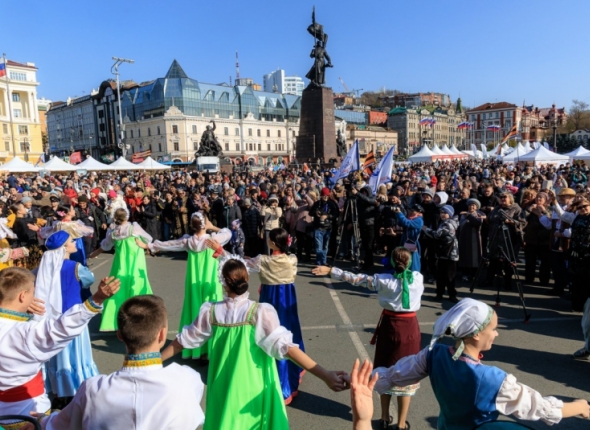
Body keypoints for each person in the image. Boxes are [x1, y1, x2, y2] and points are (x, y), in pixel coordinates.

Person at [161, 256, 348, 429]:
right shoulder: (259, 312)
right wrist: (325, 375)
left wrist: (153, 360)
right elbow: (288, 349)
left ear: (223, 282)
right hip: (254, 387)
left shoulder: (210, 312)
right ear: (246, 278)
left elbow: (181, 342)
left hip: (222, 386)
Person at [372, 298, 590, 430]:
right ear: (476, 334)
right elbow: (542, 408)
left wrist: (360, 380)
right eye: (493, 329)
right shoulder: (494, 380)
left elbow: (392, 376)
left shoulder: (433, 355)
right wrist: (580, 406)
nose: (496, 334)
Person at [34, 295, 205, 430]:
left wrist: (42, 419)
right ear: (161, 335)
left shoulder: (92, 389)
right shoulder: (188, 379)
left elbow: (60, 424)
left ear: (120, 335)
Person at [312, 246, 424, 430]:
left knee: (384, 369)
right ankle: (402, 423)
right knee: (407, 373)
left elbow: (357, 279)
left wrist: (332, 270)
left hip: (390, 326)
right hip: (410, 328)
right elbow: (414, 270)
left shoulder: (383, 280)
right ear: (410, 262)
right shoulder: (418, 278)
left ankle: (384, 417)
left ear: (392, 261)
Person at [0, 267, 119, 429]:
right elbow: (61, 328)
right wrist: (97, 299)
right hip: (25, 414)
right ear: (22, 296)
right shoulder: (26, 333)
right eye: (32, 293)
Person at [149, 212, 230, 363]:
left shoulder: (188, 241)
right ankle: (209, 350)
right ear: (205, 224)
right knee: (212, 311)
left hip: (194, 281)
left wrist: (151, 245)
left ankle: (195, 348)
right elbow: (228, 232)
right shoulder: (214, 240)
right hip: (210, 281)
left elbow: (169, 244)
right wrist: (213, 227)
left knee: (195, 309)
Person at [33, 231, 100, 404]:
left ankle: (57, 390)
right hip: (73, 316)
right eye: (72, 241)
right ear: (64, 247)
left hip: (51, 319)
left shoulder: (43, 267)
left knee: (56, 354)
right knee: (75, 354)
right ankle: (74, 389)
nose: (75, 243)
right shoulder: (75, 267)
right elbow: (88, 280)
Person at [89, 208, 154, 331]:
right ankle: (140, 321)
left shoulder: (114, 232)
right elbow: (149, 238)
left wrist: (93, 254)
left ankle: (116, 321)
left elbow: (105, 246)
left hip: (120, 266)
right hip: (136, 265)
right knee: (137, 287)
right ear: (127, 216)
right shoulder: (134, 228)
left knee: (118, 289)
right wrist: (141, 243)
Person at [423, 205, 460, 303]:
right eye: (441, 212)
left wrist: (425, 229)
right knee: (441, 275)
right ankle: (441, 294)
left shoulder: (448, 224)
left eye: (445, 213)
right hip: (444, 253)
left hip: (449, 254)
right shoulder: (445, 222)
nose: (442, 214)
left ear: (450, 214)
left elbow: (437, 234)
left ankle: (450, 295)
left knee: (448, 276)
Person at [457, 198, 485, 281]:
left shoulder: (479, 214)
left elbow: (478, 223)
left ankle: (474, 274)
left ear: (476, 207)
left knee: (474, 257)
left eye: (473, 205)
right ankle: (465, 274)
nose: (471, 207)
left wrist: (469, 215)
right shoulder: (463, 215)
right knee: (464, 256)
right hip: (463, 238)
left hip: (474, 239)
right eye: (469, 205)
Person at [310, 187, 339, 265]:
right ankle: (319, 262)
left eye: (327, 195)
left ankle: (324, 261)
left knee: (325, 246)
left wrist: (327, 216)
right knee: (318, 246)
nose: (325, 197)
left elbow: (336, 214)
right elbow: (310, 212)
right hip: (318, 227)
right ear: (321, 195)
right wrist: (315, 213)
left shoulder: (332, 203)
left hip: (328, 227)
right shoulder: (317, 203)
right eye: (324, 195)